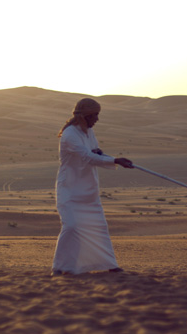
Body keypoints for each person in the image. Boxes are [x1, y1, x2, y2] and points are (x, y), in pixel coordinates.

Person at [52, 98, 134, 275]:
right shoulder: (70, 134)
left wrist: (111, 158)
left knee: (98, 225)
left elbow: (95, 153)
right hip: (70, 189)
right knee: (71, 226)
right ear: (85, 115)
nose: (97, 119)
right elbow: (87, 157)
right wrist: (115, 160)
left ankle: (110, 264)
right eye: (95, 115)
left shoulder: (88, 132)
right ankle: (60, 268)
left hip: (88, 190)